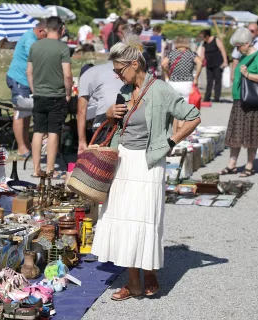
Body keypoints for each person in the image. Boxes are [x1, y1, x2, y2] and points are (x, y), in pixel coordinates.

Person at [91, 37, 201, 300]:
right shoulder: (125, 92)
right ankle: (133, 281)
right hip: (122, 160)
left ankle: (149, 272)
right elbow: (111, 126)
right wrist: (107, 115)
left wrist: (170, 142)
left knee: (145, 219)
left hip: (149, 163)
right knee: (124, 219)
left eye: (119, 70)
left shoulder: (160, 89)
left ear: (134, 64)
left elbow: (193, 116)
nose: (117, 76)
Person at [220, 27, 258, 177]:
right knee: (235, 133)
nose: (237, 49)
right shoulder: (243, 56)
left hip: (252, 100)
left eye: (239, 46)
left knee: (251, 134)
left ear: (247, 43)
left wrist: (247, 74)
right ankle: (232, 164)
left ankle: (250, 165)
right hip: (238, 99)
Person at [27, 17, 73, 177]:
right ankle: (50, 169)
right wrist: (68, 93)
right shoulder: (63, 48)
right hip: (56, 95)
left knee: (38, 131)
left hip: (39, 95)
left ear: (46, 29)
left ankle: (35, 169)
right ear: (60, 29)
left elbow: (29, 72)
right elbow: (67, 74)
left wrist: (35, 89)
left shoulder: (35, 46)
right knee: (54, 131)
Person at [6, 20, 46, 158]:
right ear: (41, 31)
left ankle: (26, 143)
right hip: (19, 79)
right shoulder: (30, 39)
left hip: (27, 81)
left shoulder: (34, 37)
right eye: (46, 35)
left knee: (27, 112)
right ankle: (21, 148)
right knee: (19, 113)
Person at [77, 61, 124, 154]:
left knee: (99, 155)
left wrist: (82, 142)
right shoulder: (121, 67)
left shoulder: (86, 75)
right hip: (125, 108)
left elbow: (81, 111)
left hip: (105, 113)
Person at [161, 36, 203, 132]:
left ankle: (173, 130)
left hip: (173, 83)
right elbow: (200, 63)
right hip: (187, 84)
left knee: (173, 107)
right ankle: (183, 130)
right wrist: (196, 77)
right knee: (185, 108)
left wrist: (168, 74)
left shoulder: (172, 53)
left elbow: (163, 64)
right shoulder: (191, 54)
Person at [198, 29, 228, 102]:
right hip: (209, 64)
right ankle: (207, 98)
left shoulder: (216, 40)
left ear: (207, 36)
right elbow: (202, 54)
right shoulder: (204, 43)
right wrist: (200, 62)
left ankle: (217, 98)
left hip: (218, 63)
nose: (202, 39)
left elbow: (222, 50)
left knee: (217, 80)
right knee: (209, 81)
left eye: (203, 37)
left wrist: (225, 61)